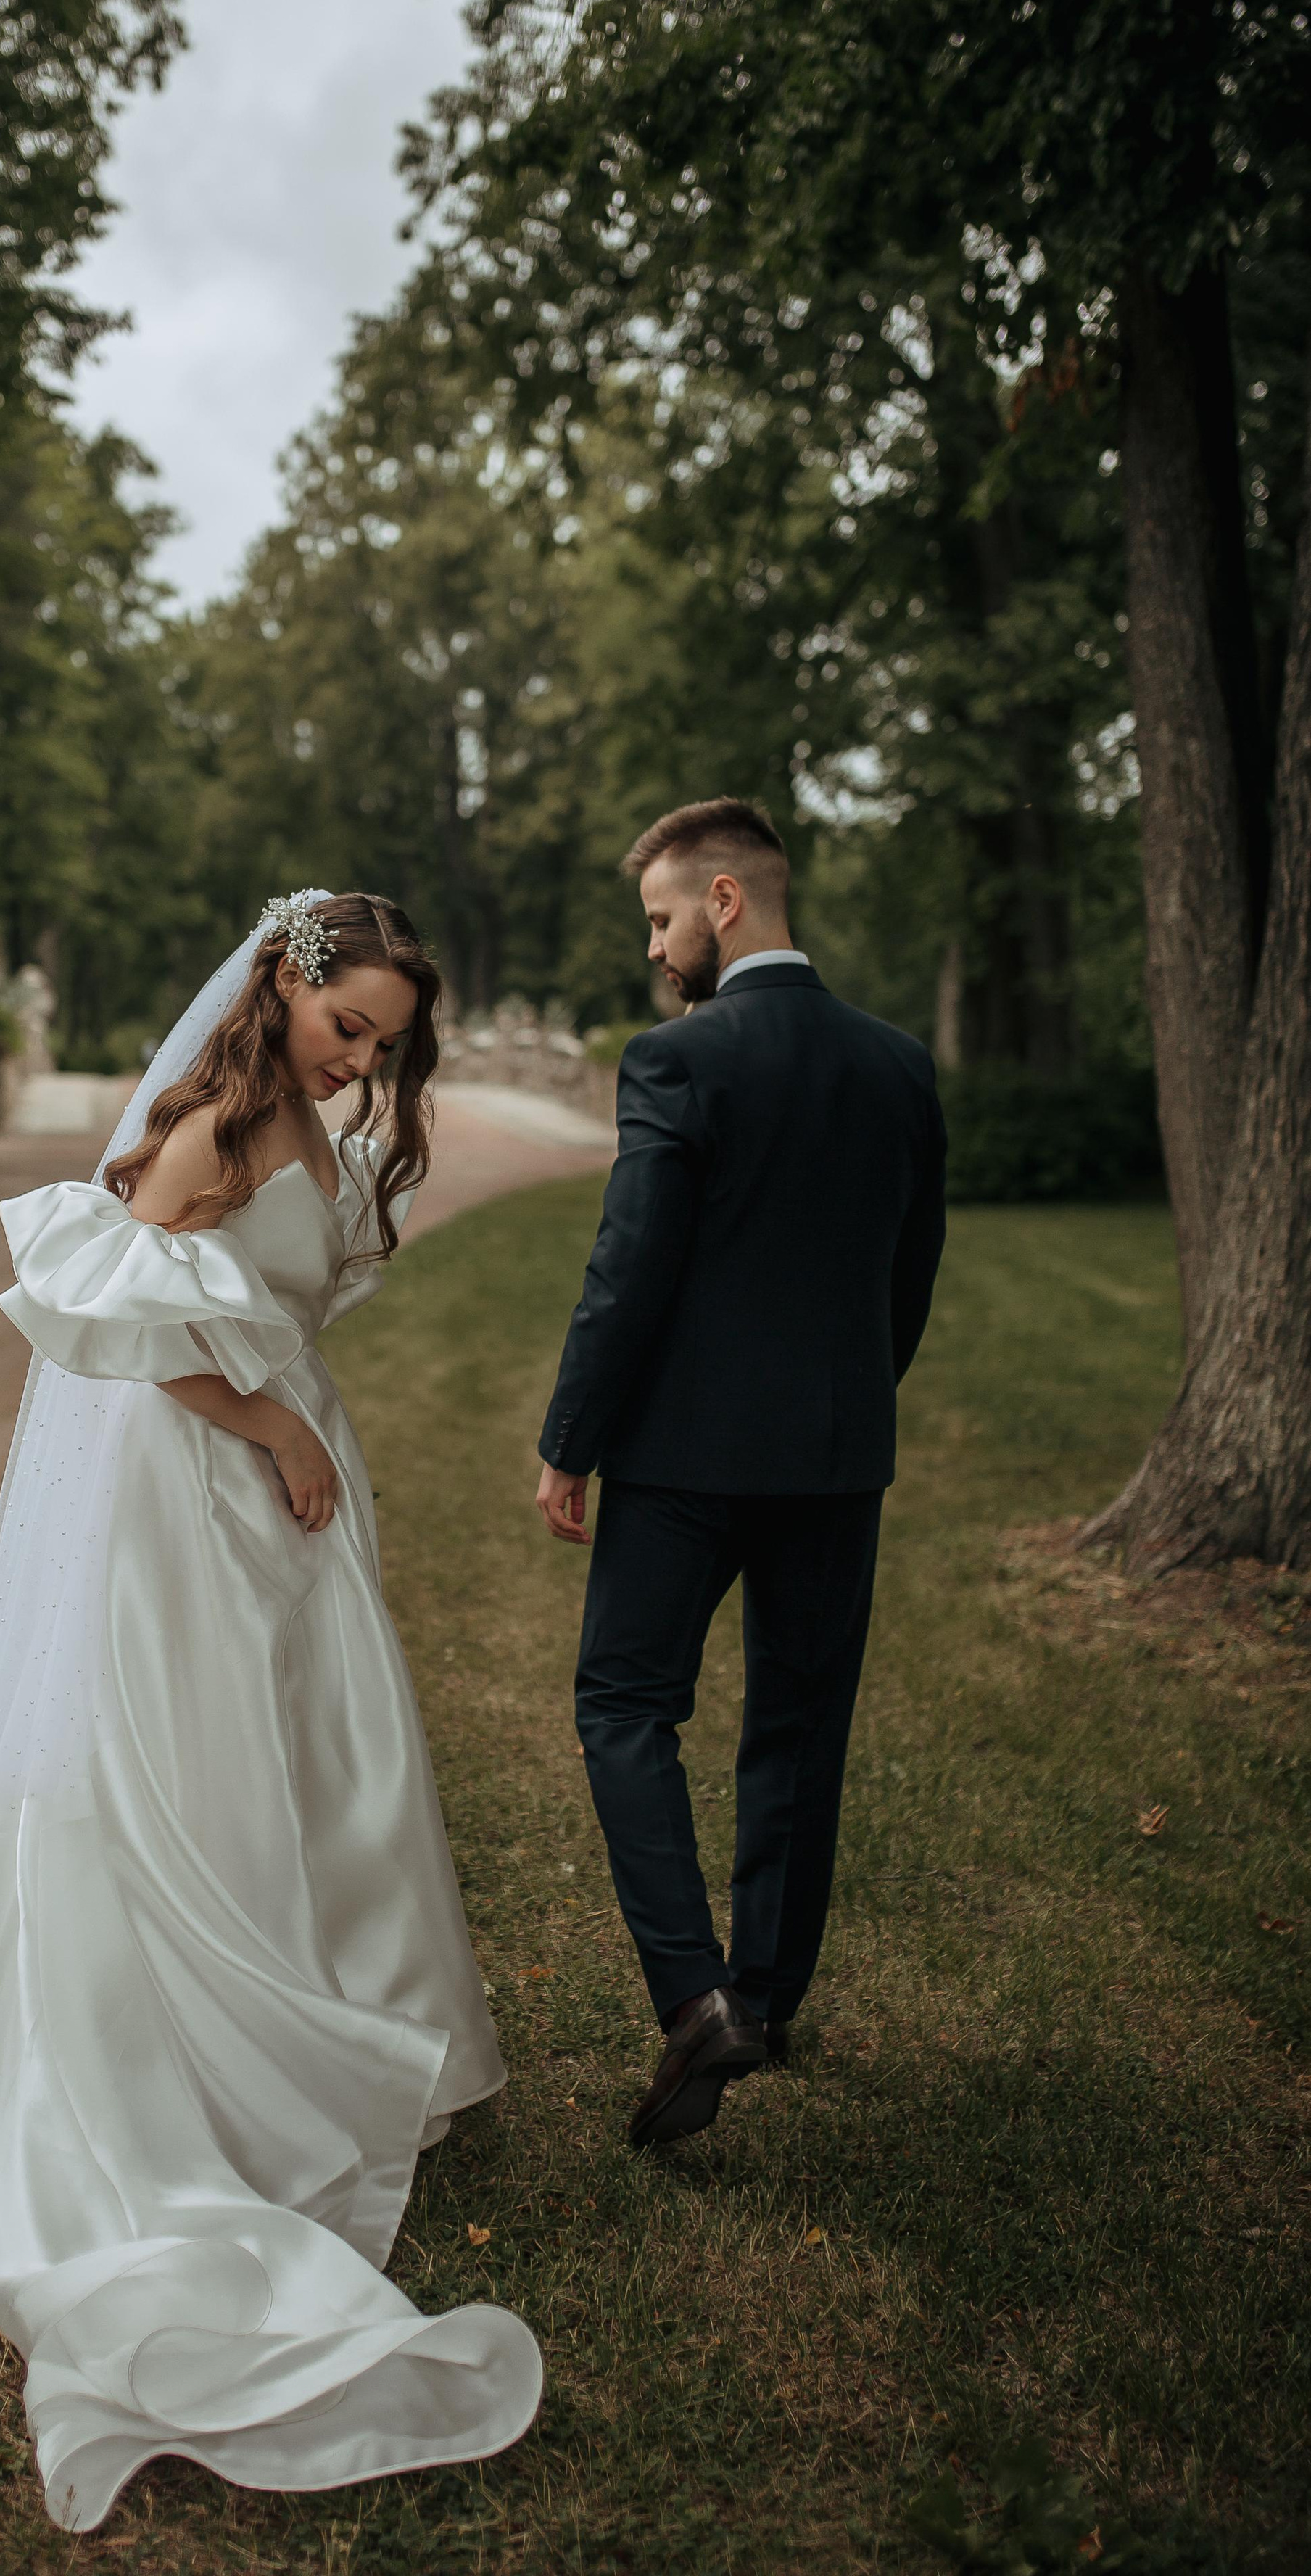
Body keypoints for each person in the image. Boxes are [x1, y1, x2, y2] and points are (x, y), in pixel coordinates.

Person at [0, 890, 542, 2530]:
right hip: (195, 1485)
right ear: (284, 990)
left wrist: (300, 1431)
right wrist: (269, 1425)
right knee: (199, 1761)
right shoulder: (211, 1131)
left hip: (284, 1477)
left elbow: (287, 1298)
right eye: (345, 1027)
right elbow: (116, 1334)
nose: (358, 1057)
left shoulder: (317, 1137)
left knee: (332, 1758)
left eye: (380, 1041)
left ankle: (347, 2008)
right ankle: (191, 2055)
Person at [534, 801, 946, 2150]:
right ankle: (763, 1998)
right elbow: (909, 1279)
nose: (655, 950)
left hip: (684, 1459)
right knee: (799, 1725)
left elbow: (629, 1271)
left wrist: (570, 1438)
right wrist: (840, 1409)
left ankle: (693, 2001)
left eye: (660, 918)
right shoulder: (898, 1065)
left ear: (724, 901)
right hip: (835, 1457)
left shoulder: (678, 1062)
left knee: (623, 1705)